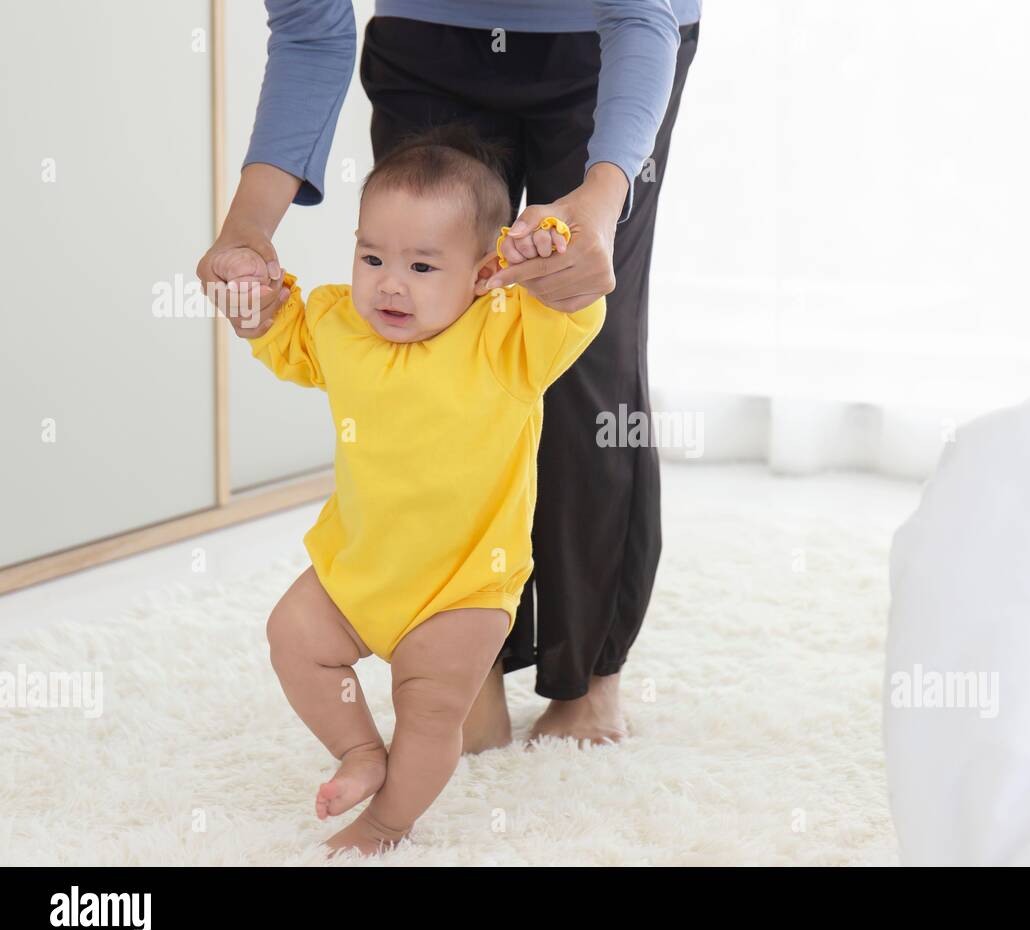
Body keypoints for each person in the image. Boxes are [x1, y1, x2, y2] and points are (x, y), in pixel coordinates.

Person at [197, 0, 701, 751]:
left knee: (579, 350)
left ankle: (588, 673)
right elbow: (308, 28)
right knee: (429, 333)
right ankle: (465, 661)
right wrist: (247, 229)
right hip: (428, 40)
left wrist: (600, 200)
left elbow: (639, 14)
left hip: (609, 39)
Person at [227, 127, 605, 856]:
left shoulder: (508, 341)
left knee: (430, 714)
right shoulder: (341, 322)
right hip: (358, 569)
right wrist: (258, 300)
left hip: (463, 590)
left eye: (422, 265)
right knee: (292, 637)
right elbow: (285, 337)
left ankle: (385, 822)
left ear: (485, 271)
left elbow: (575, 306)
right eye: (372, 256)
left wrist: (550, 244)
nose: (389, 282)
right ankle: (359, 750)